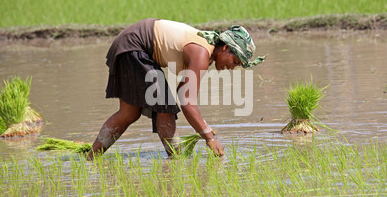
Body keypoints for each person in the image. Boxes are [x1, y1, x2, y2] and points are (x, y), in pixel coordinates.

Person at [86, 18, 265, 160]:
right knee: (165, 108)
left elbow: (182, 91)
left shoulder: (206, 52)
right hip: (134, 47)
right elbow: (187, 102)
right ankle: (175, 161)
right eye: (234, 61)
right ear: (225, 48)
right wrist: (208, 137)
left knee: (129, 113)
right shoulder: (202, 53)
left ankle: (91, 159)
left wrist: (204, 128)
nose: (232, 67)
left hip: (128, 45)